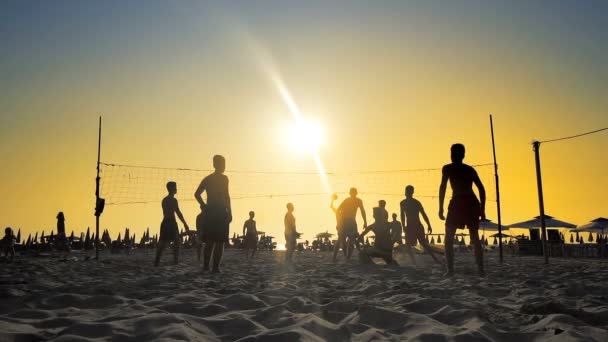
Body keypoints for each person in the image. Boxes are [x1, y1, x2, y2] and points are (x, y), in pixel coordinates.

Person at [439, 143, 486, 277]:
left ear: (452, 155)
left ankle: (450, 270)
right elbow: (481, 189)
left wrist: (440, 207)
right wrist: (482, 209)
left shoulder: (448, 168)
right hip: (471, 202)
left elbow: (442, 187)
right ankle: (481, 269)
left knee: (449, 237)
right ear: (463, 155)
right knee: (474, 236)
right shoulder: (469, 169)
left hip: (459, 202)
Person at [195, 155, 232, 273]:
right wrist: (203, 205)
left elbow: (197, 194)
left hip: (215, 211)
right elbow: (197, 194)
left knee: (216, 241)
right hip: (217, 211)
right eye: (222, 164)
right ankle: (211, 267)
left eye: (224, 164)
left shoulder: (211, 179)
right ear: (215, 165)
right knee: (215, 241)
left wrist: (204, 205)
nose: (224, 167)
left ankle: (211, 267)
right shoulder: (218, 179)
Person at [400, 185, 442, 266]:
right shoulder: (405, 203)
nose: (407, 193)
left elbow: (423, 214)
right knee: (413, 245)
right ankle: (415, 262)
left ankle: (434, 260)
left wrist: (429, 225)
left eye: (408, 191)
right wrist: (403, 227)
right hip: (412, 226)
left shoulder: (413, 203)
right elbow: (402, 216)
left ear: (409, 192)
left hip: (415, 225)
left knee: (421, 244)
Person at [154, 181, 189, 266]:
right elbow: (178, 212)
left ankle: (157, 261)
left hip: (165, 222)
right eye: (175, 187)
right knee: (176, 241)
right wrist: (185, 223)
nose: (176, 189)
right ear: (172, 188)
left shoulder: (164, 200)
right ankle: (175, 261)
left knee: (162, 242)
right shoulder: (173, 200)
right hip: (171, 222)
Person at [333, 188, 367, 261]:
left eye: (353, 193)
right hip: (347, 221)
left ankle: (345, 258)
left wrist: (365, 222)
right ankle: (340, 257)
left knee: (349, 239)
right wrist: (338, 222)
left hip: (349, 221)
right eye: (352, 193)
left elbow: (362, 211)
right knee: (343, 239)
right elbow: (338, 210)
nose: (353, 195)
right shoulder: (349, 200)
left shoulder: (357, 201)